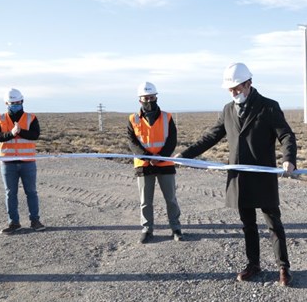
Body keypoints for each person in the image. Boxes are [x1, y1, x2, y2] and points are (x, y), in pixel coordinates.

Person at [176, 63, 297, 286]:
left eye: (237, 88)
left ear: (248, 83)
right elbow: (210, 137)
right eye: (230, 90)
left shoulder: (269, 107)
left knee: (273, 223)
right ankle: (254, 264)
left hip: (262, 176)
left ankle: (283, 267)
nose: (233, 93)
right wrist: (184, 155)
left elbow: (286, 136)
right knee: (247, 224)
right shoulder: (227, 110)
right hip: (239, 179)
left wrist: (288, 159)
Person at [127, 81, 182, 244]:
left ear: (156, 97)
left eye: (151, 97)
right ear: (140, 100)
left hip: (165, 164)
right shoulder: (132, 119)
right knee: (145, 201)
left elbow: (172, 140)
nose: (149, 101)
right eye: (145, 98)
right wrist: (147, 158)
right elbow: (132, 142)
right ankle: (147, 228)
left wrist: (160, 157)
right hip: (144, 166)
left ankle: (176, 228)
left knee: (171, 199)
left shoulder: (167, 117)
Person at [0, 88, 46, 234]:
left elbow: (35, 135)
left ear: (22, 101)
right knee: (10, 193)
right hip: (8, 162)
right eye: (12, 102)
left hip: (27, 162)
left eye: (17, 102)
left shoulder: (31, 118)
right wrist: (11, 133)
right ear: (6, 103)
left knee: (31, 192)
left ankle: (35, 221)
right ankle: (14, 223)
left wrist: (20, 131)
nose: (15, 104)